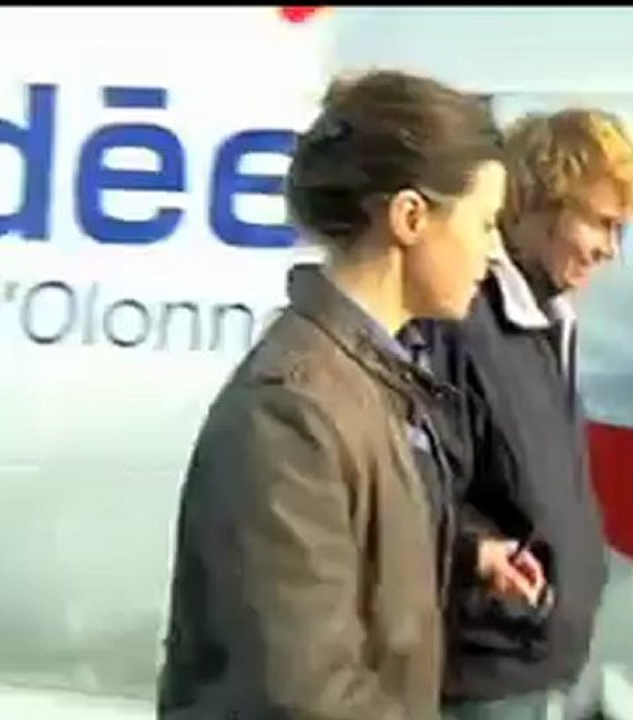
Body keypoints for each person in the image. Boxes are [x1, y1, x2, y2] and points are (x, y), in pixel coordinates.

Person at [156, 69, 544, 720]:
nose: (494, 253)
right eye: (483, 223)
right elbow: (303, 692)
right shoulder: (290, 411)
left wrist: (461, 551)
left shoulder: (376, 376)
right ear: (410, 217)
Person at [405, 108, 633, 720]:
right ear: (542, 204)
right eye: (601, 224)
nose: (609, 251)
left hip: (539, 659)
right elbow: (413, 487)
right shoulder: (463, 321)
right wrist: (480, 554)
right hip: (485, 668)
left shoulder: (549, 320)